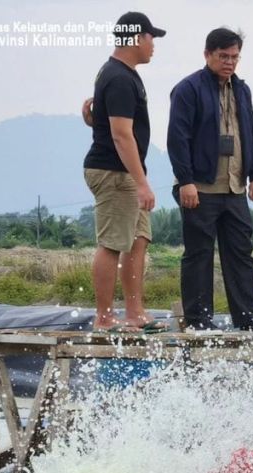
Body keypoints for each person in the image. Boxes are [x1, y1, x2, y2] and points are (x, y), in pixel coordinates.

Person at [166, 28, 253, 332]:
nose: (229, 62)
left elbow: (249, 133)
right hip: (199, 186)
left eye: (234, 57)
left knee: (241, 253)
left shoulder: (242, 90)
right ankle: (199, 321)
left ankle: (249, 318)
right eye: (223, 56)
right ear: (207, 55)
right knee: (199, 254)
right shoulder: (188, 89)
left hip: (235, 185)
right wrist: (185, 180)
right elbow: (177, 137)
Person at [81, 12, 166, 333]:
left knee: (139, 239)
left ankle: (135, 312)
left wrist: (91, 118)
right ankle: (104, 317)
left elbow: (106, 122)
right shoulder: (117, 77)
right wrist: (142, 183)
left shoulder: (124, 74)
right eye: (150, 37)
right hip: (114, 173)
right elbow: (120, 134)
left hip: (128, 173)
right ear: (135, 39)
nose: (153, 44)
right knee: (113, 243)